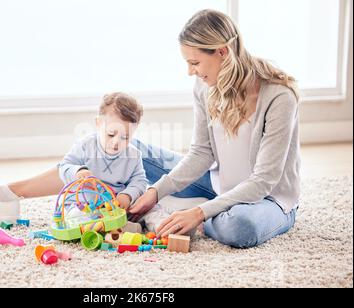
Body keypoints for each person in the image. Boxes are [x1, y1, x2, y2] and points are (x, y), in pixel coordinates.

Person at [129, 9, 301, 248]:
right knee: (126, 148)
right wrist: (155, 193)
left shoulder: (280, 96)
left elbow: (263, 181)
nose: (191, 72)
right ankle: (197, 207)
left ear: (222, 52)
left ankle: (195, 213)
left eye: (195, 63)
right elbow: (201, 152)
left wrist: (199, 213)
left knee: (240, 227)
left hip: (268, 199)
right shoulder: (204, 86)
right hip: (218, 183)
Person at [0, 92, 147, 232]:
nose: (116, 142)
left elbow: (140, 181)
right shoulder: (86, 146)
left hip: (112, 209)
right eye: (111, 134)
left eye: (125, 137)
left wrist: (128, 195)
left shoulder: (133, 155)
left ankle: (121, 227)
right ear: (98, 123)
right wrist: (78, 171)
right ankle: (105, 228)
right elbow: (65, 166)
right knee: (75, 217)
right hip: (83, 205)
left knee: (146, 213)